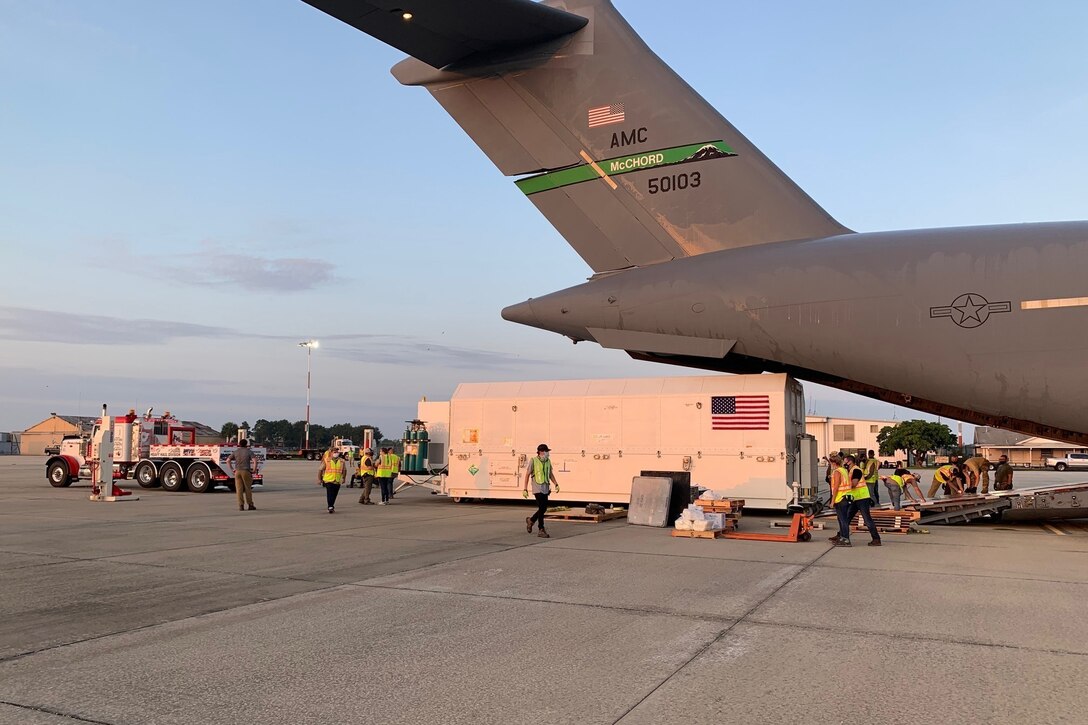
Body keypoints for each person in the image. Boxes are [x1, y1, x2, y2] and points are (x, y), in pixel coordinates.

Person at [830, 454, 881, 547]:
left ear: (849, 462)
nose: (843, 463)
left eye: (845, 461)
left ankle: (876, 539)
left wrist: (842, 482)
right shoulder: (848, 471)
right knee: (846, 518)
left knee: (867, 519)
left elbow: (854, 484)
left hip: (862, 498)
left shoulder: (856, 470)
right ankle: (841, 536)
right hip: (854, 498)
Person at [522, 443, 559, 538]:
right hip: (537, 488)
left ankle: (531, 520)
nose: (548, 453)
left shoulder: (548, 461)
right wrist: (525, 488)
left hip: (545, 488)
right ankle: (541, 529)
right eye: (546, 451)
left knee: (543, 508)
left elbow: (550, 474)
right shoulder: (533, 461)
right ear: (541, 452)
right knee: (542, 508)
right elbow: (527, 474)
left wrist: (556, 484)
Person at [226, 439, 256, 511]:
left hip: (237, 472)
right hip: (246, 471)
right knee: (247, 488)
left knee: (239, 489)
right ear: (246, 444)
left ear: (239, 444)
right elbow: (255, 460)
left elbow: (228, 460)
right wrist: (254, 470)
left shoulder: (236, 452)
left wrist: (232, 469)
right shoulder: (249, 451)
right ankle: (250, 505)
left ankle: (241, 505)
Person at [316, 445, 346, 513]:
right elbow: (320, 470)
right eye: (335, 452)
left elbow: (344, 470)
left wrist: (343, 478)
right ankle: (330, 506)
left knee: (334, 494)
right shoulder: (327, 460)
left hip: (337, 480)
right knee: (330, 493)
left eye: (337, 452)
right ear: (331, 452)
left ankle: (331, 505)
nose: (336, 453)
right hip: (328, 480)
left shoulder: (342, 461)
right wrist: (319, 479)